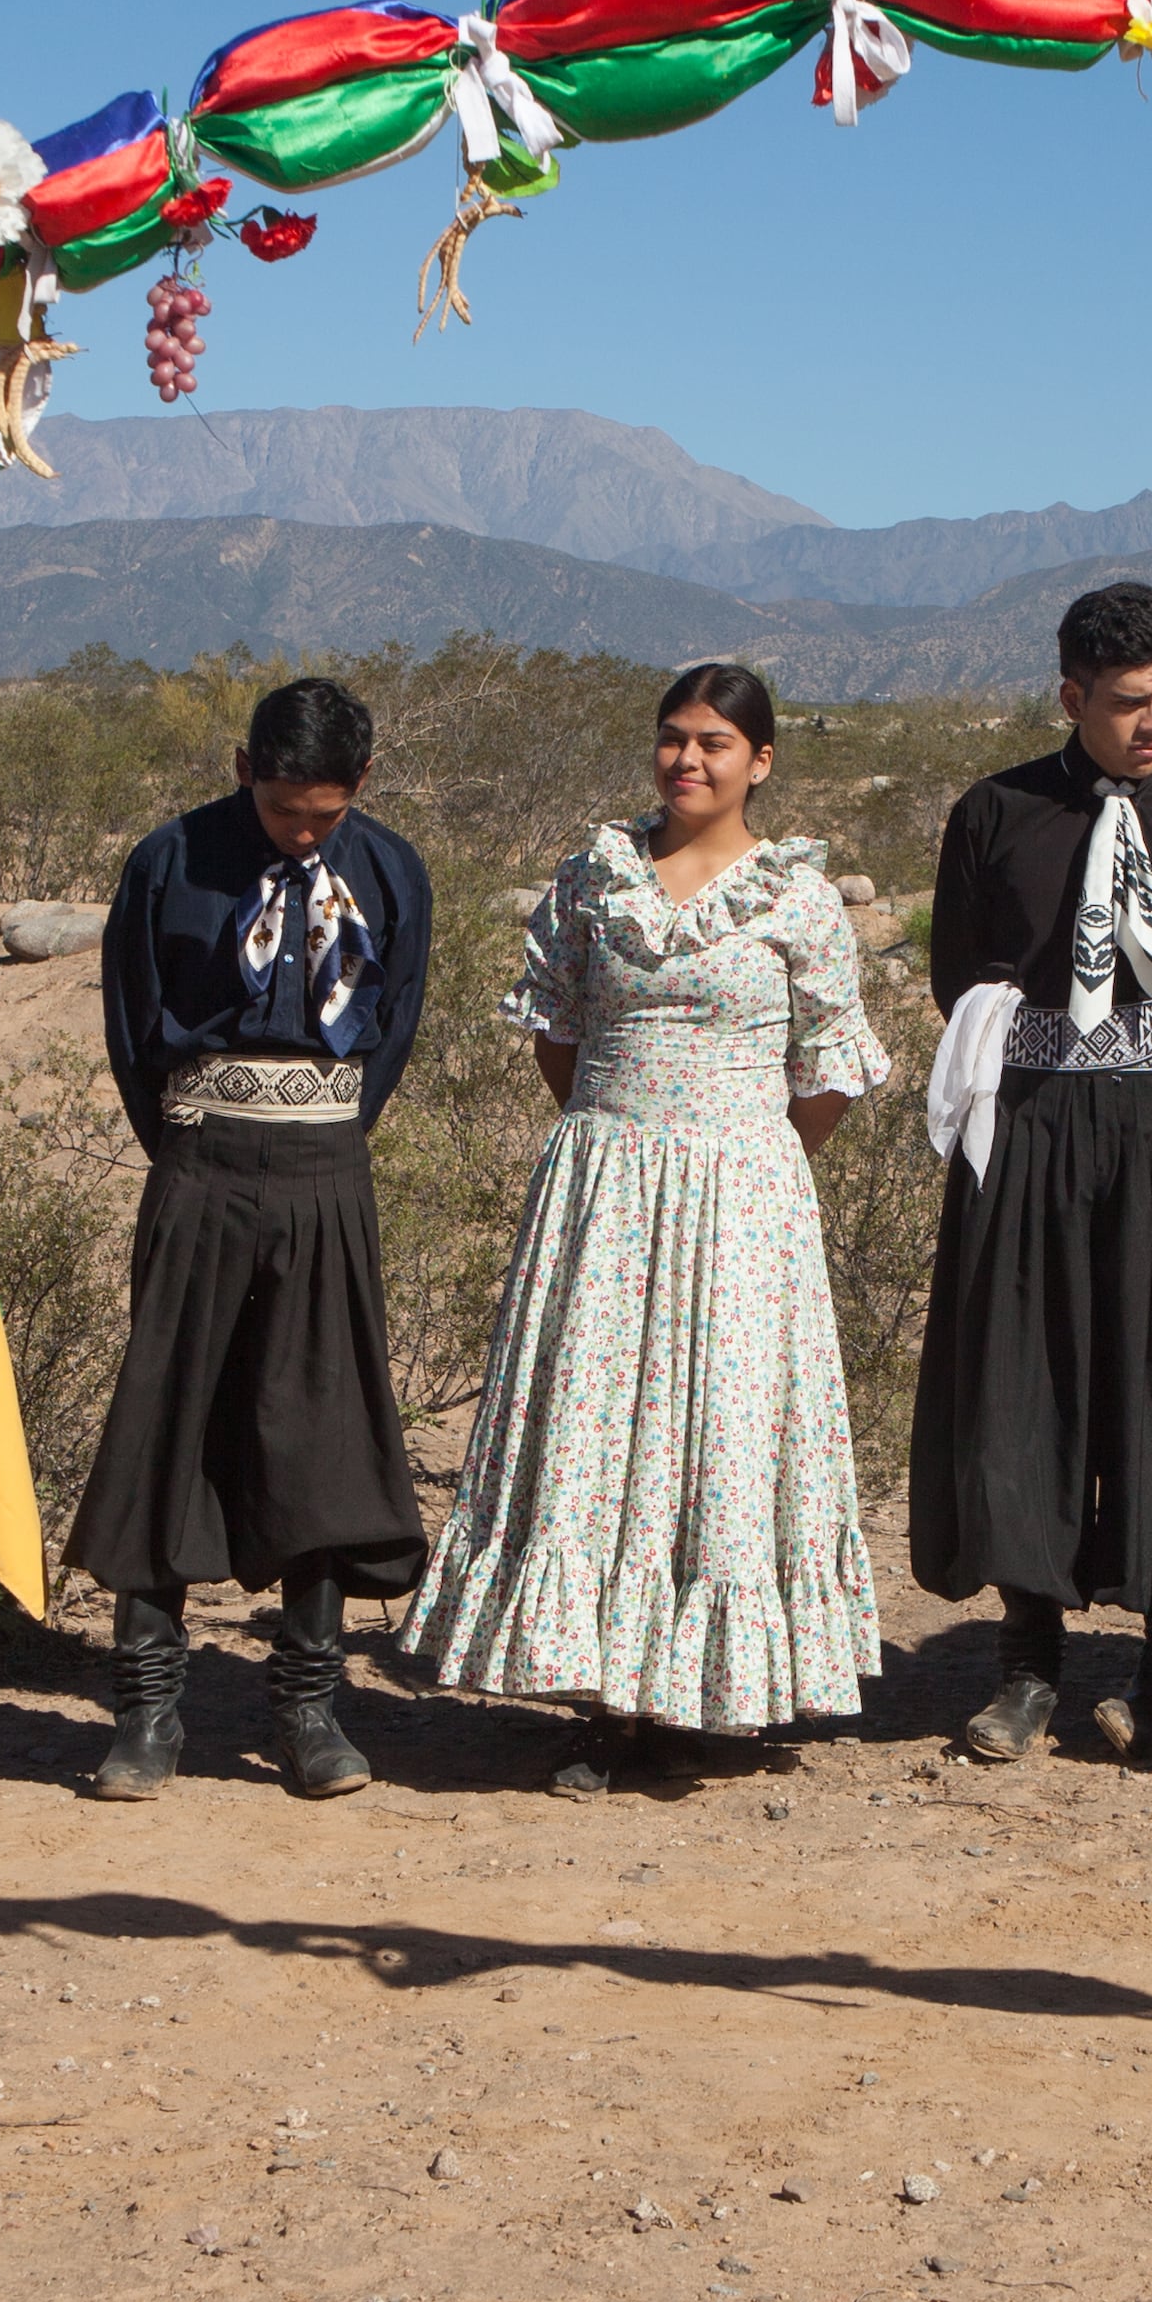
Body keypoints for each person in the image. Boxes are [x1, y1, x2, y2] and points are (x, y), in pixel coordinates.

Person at [407, 665, 892, 1786]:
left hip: (742, 1199)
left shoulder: (799, 900)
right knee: (598, 1429)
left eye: (715, 743)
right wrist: (617, 1141)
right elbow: (557, 1028)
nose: (688, 761)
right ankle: (606, 1698)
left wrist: (745, 1161)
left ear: (759, 763)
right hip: (606, 1189)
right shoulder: (593, 878)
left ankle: (694, 1700)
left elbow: (829, 1068)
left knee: (716, 1431)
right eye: (673, 740)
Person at [914, 580, 1152, 1764]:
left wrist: (1148, 1081)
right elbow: (959, 973)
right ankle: (1026, 1665)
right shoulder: (995, 814)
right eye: (1127, 703)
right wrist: (1058, 1083)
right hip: (1030, 1124)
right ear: (1071, 696)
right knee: (1030, 1380)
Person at [73, 675, 436, 1797]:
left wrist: (318, 1138)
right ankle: (146, 1708)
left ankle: (308, 1708)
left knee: (316, 1425)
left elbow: (396, 1025)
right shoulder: (167, 863)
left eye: (322, 812)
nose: (300, 829)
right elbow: (133, 1030)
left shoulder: (388, 872)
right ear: (242, 769)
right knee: (167, 1416)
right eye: (282, 807)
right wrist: (198, 1142)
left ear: (360, 787)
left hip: (328, 1170)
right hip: (199, 1168)